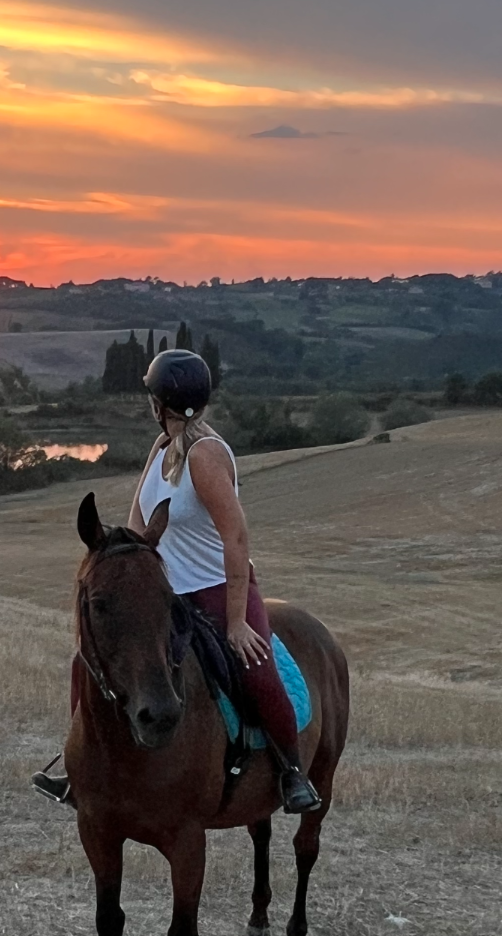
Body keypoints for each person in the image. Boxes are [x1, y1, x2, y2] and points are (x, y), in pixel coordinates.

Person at [33, 348, 321, 814]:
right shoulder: (162, 448)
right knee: (86, 662)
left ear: (159, 403)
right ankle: (82, 771)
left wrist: (236, 621)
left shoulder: (205, 455)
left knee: (256, 669)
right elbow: (137, 522)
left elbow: (236, 536)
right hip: (167, 594)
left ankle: (291, 772)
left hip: (218, 588)